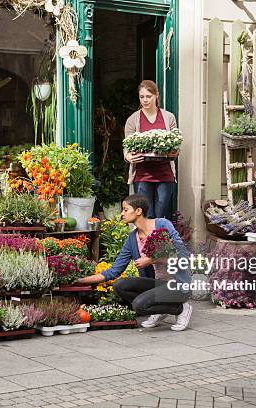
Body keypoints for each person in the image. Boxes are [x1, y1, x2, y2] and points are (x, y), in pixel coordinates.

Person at [75, 194, 193, 331]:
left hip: (178, 284)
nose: (122, 214)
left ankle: (181, 308)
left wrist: (152, 259)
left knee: (139, 305)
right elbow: (114, 271)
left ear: (138, 211)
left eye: (125, 210)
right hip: (158, 284)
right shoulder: (132, 239)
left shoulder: (162, 224)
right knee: (120, 285)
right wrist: (82, 280)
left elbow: (184, 257)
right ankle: (160, 309)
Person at [124, 80, 178, 219]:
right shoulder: (133, 120)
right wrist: (128, 156)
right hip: (142, 174)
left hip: (164, 174)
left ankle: (158, 241)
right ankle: (145, 241)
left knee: (160, 216)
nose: (145, 100)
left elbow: (175, 144)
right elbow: (127, 146)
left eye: (149, 96)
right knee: (146, 216)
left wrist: (175, 152)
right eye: (142, 97)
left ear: (156, 96)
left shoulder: (168, 117)